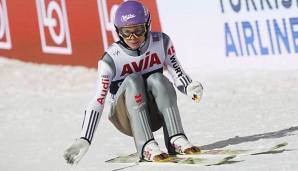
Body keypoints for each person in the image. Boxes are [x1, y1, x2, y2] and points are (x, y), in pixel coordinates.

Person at [63, 0, 203, 164]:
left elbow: (177, 72)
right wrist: (85, 138)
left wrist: (189, 86)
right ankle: (146, 145)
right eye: (126, 32)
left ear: (148, 25)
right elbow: (98, 101)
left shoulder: (161, 42)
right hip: (125, 117)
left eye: (138, 30)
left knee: (158, 79)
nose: (133, 37)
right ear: (118, 31)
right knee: (133, 80)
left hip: (154, 112)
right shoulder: (110, 59)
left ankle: (175, 137)